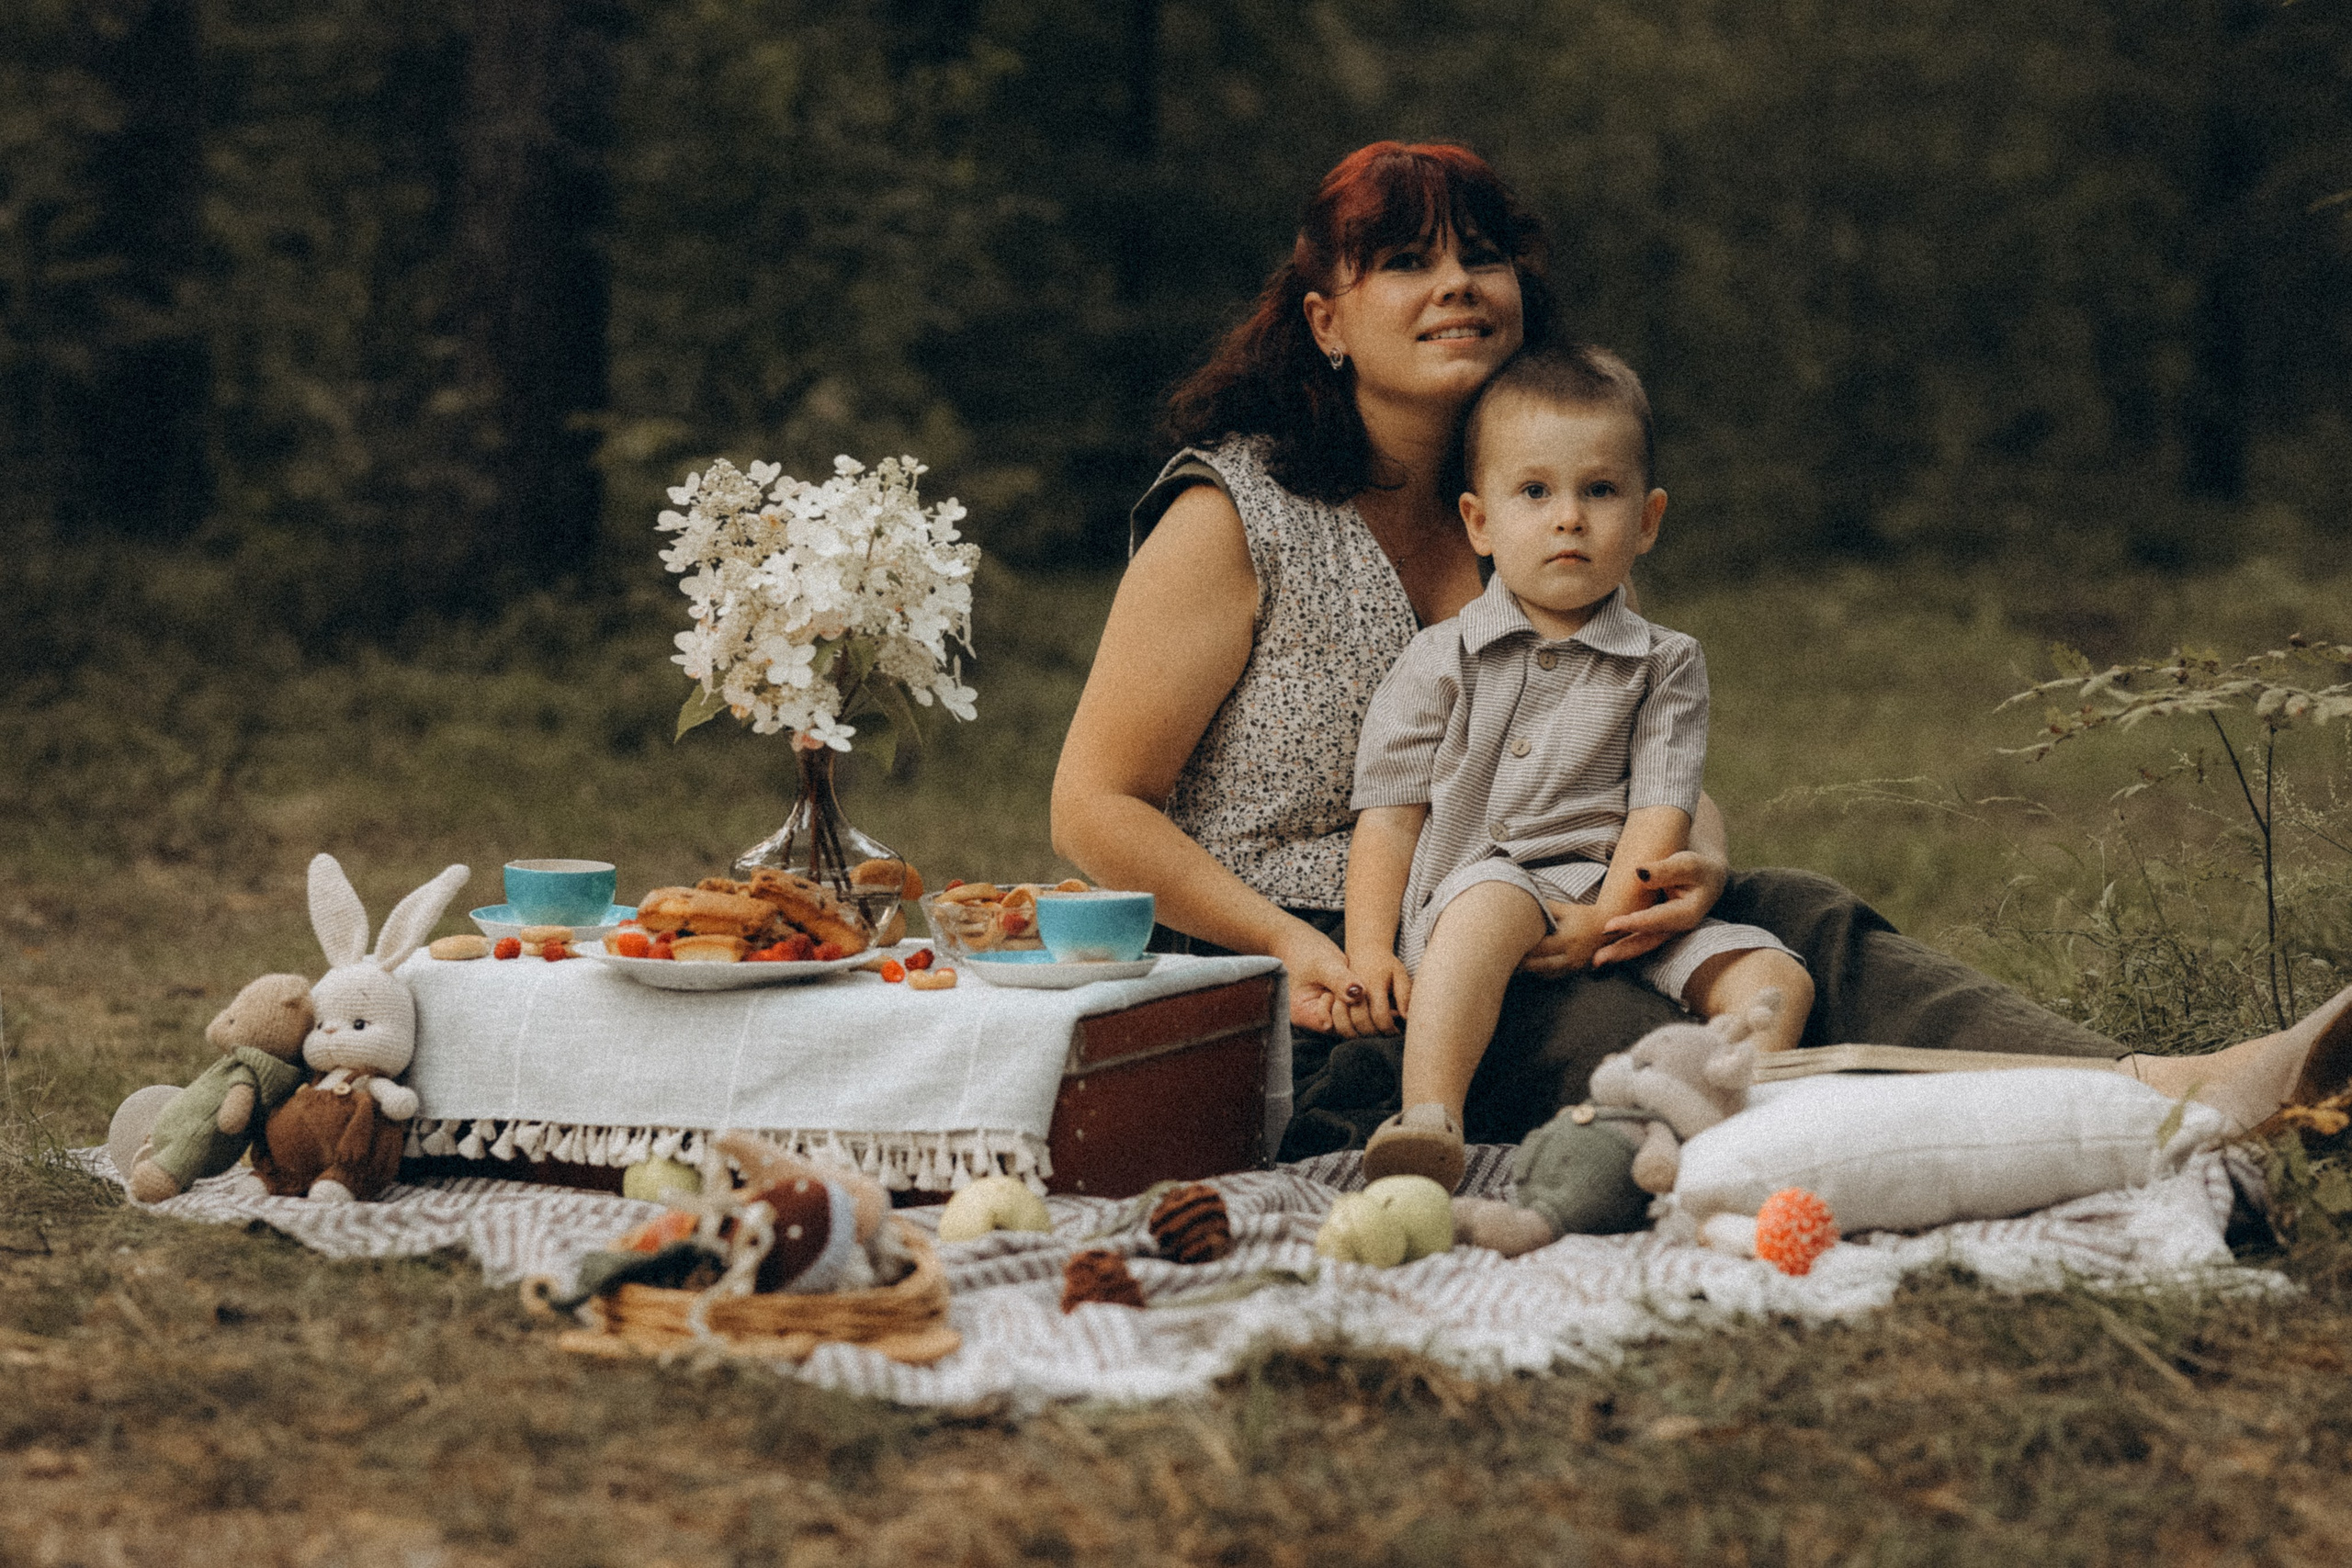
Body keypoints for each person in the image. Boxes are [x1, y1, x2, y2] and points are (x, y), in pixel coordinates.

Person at [1048, 140, 2352, 1159]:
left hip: (1555, 881)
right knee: (1654, 1030)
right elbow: (1093, 804)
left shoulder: (1545, 501)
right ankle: (2093, 1137)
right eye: (1405, 259)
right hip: (1353, 959)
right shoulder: (1240, 513)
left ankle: (2155, 1082)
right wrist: (1296, 946)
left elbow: (1627, 719)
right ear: (1329, 321)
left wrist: (1694, 849)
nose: (1456, 282)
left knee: (1800, 916)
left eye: (1482, 254)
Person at [1346, 344, 1812, 1190]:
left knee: (1776, 974)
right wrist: (1369, 947)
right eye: (1535, 492)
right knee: (1489, 903)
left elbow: (1660, 807)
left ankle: (1720, 1117)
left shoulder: (1666, 663)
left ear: (1647, 519)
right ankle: (1429, 1119)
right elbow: (1390, 813)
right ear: (1480, 521)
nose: (1569, 518)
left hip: (1622, 906)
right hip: (1477, 898)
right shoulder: (1439, 659)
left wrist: (1608, 917)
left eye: (1599, 491)